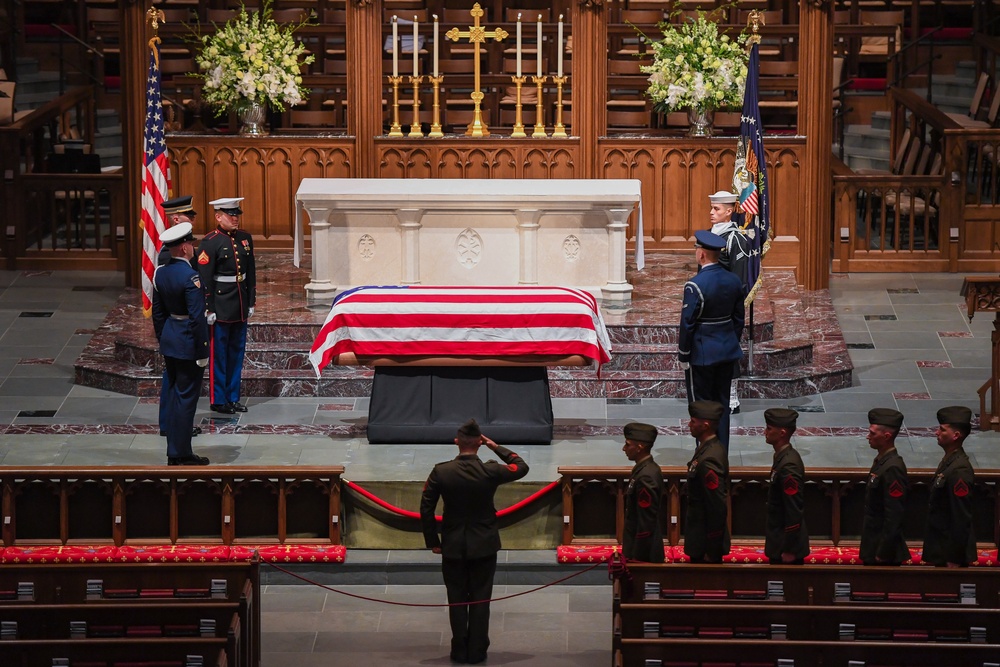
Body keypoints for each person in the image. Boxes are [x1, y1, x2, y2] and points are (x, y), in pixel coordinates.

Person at [420, 419, 529, 664]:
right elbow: (521, 466)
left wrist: (432, 541)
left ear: (456, 442)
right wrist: (495, 447)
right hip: (484, 544)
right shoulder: (490, 470)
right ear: (480, 442)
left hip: (452, 544)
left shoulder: (442, 471)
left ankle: (459, 650)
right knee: (481, 598)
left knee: (457, 599)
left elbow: (426, 508)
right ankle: (477, 651)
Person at [678, 229, 745, 451]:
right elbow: (738, 320)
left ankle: (706, 454)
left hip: (702, 356)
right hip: (727, 352)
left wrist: (684, 355)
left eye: (697, 249)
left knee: (701, 408)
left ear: (702, 254)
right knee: (722, 405)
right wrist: (729, 342)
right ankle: (721, 453)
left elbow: (687, 324)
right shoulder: (734, 280)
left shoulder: (695, 285)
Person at [151, 222, 210, 466]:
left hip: (171, 340)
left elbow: (158, 312)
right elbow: (197, 318)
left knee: (175, 395)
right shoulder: (191, 277)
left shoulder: (160, 273)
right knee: (186, 399)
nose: (193, 248)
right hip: (188, 344)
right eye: (191, 244)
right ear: (185, 248)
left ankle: (175, 449)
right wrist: (203, 349)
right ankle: (180, 453)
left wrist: (163, 337)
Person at [196, 196, 256, 415]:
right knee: (219, 354)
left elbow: (250, 272)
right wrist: (208, 307)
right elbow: (205, 278)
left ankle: (233, 397)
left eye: (236, 215)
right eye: (230, 216)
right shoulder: (210, 242)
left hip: (239, 302)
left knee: (236, 353)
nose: (235, 219)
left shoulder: (245, 238)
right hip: (220, 305)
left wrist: (251, 301)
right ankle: (218, 399)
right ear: (218, 216)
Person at [158, 195, 201, 439]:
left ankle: (173, 425)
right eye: (189, 215)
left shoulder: (174, 258)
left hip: (172, 335)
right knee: (176, 385)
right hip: (180, 334)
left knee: (175, 383)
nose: (193, 218)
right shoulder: (169, 259)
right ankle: (171, 425)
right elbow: (161, 309)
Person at [708, 190, 752, 415]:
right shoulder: (708, 234)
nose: (711, 213)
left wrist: (730, 307)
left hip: (726, 308)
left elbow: (739, 279)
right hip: (709, 306)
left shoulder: (736, 238)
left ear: (729, 211)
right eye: (712, 208)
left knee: (729, 350)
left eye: (716, 209)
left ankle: (732, 395)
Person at [922, 406, 976, 568]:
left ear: (956, 435)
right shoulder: (949, 462)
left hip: (950, 555)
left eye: (942, 430)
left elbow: (961, 517)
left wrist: (954, 558)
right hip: (941, 548)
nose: (936, 433)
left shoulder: (959, 470)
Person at [860, 407, 911, 566]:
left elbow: (894, 515)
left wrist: (884, 552)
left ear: (887, 436)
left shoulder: (892, 468)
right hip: (873, 544)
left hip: (884, 552)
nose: (868, 436)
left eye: (873, 433)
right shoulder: (882, 461)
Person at [683, 400, 730, 563]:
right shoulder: (707, 448)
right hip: (700, 538)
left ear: (705, 425)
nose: (689, 424)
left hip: (705, 543)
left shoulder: (710, 458)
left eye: (693, 422)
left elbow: (717, 506)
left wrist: (712, 547)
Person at [763, 408, 809, 564]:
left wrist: (789, 549)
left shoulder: (789, 465)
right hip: (779, 542)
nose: (765, 432)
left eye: (769, 429)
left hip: (786, 548)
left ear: (782, 433)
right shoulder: (783, 458)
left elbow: (793, 509)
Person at [621, 422, 665, 563]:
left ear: (640, 447)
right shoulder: (643, 469)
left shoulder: (646, 475)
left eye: (628, 444)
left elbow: (646, 521)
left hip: (644, 554)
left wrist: (638, 556)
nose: (624, 448)